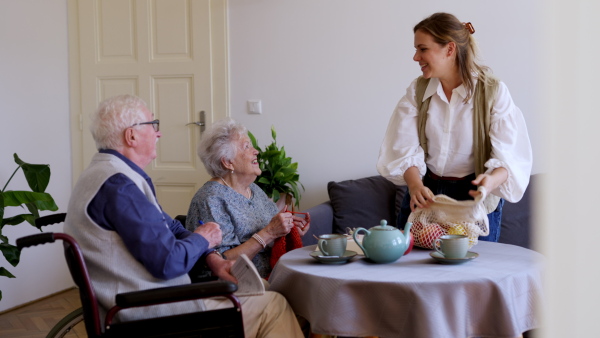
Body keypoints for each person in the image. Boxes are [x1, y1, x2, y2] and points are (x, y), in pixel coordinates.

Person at [63, 95, 304, 338]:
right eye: (153, 124)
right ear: (132, 136)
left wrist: (211, 257)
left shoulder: (107, 175)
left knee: (268, 292)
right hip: (156, 314)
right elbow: (167, 263)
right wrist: (203, 239)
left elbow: (173, 226)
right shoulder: (119, 187)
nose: (159, 134)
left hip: (150, 301)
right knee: (274, 306)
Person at [377, 12, 532, 241]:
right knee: (414, 272)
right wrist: (415, 185)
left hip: (473, 199)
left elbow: (510, 158)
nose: (415, 57)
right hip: (425, 196)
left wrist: (489, 182)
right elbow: (403, 146)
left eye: (422, 49)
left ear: (449, 49)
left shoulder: (493, 92)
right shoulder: (417, 91)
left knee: (473, 274)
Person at [186, 118, 310, 279]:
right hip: (237, 285)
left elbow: (272, 233)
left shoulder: (253, 189)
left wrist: (288, 229)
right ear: (228, 162)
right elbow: (222, 263)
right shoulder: (210, 199)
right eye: (246, 146)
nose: (256, 151)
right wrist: (269, 233)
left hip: (272, 274)